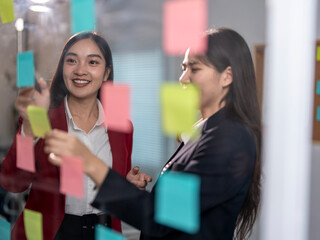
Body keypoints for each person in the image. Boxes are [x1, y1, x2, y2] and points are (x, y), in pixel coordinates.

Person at [44, 28, 262, 240]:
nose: (183, 79)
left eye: (194, 69)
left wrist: (89, 163)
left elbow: (162, 217)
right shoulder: (202, 133)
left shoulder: (230, 139)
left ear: (227, 77)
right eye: (183, 67)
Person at [0, 32, 138, 240]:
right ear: (62, 67)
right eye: (72, 60)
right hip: (52, 233)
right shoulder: (41, 120)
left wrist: (127, 183)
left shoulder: (122, 128)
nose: (80, 70)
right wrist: (29, 127)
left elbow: (114, 186)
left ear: (106, 73)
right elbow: (14, 184)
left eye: (92, 62)